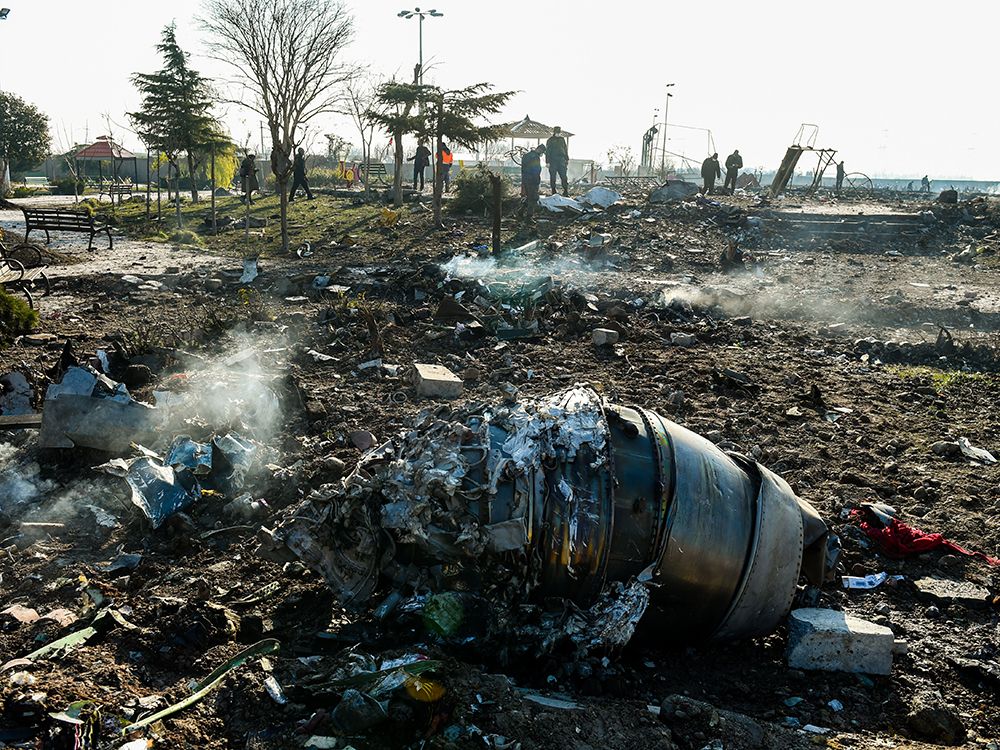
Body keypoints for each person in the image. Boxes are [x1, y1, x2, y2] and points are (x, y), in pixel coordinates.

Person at [518, 144, 546, 221]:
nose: (542, 154)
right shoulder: (535, 157)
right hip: (532, 180)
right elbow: (536, 170)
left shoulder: (526, 155)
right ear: (540, 149)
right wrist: (536, 180)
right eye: (542, 152)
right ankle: (529, 217)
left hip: (526, 179)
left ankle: (521, 211)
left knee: (530, 197)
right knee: (533, 198)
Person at [545, 126, 569, 196]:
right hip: (553, 161)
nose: (558, 133)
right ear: (554, 132)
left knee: (564, 176)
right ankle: (553, 190)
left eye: (559, 132)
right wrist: (547, 162)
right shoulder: (550, 140)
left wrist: (566, 159)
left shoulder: (562, 139)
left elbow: (565, 149)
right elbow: (548, 151)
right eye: (557, 132)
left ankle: (565, 191)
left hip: (561, 160)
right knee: (553, 176)